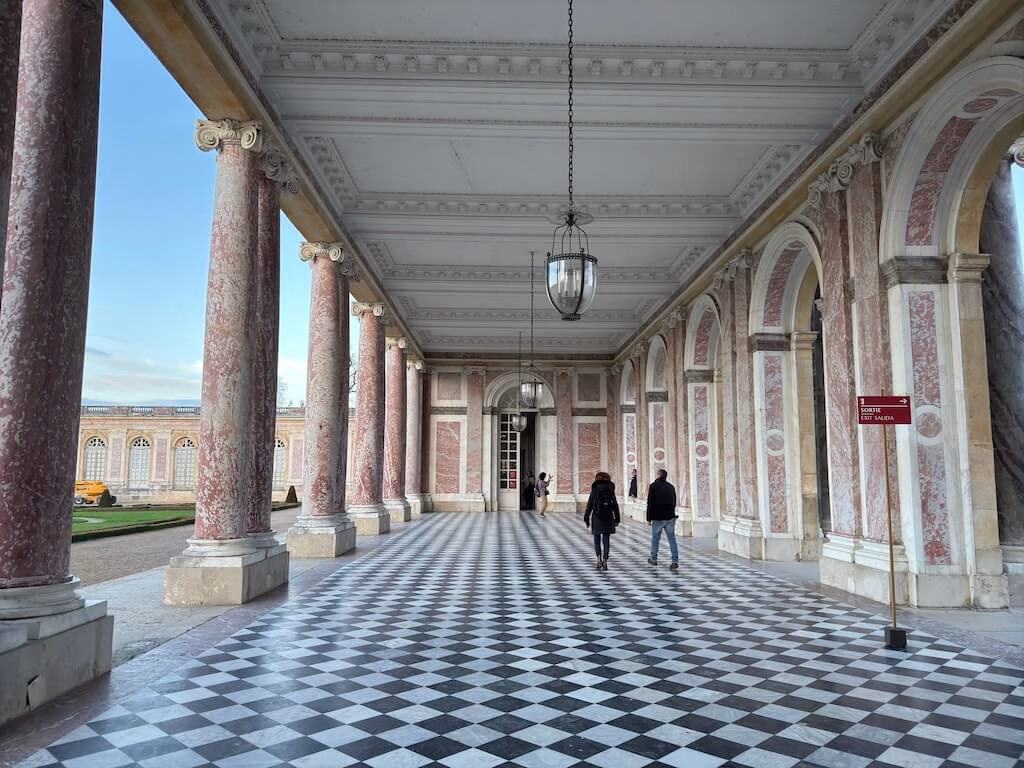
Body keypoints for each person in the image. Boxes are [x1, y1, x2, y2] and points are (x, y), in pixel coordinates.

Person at [584, 471, 620, 570]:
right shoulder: (610, 489)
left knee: (596, 538)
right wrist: (617, 518)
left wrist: (586, 518)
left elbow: (589, 504)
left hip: (597, 516)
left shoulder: (595, 489)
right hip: (608, 516)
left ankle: (598, 559)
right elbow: (615, 505)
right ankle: (605, 560)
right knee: (606, 539)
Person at [646, 469, 679, 569]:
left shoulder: (653, 486)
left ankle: (653, 559)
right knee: (672, 539)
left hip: (658, 517)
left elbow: (650, 503)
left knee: (655, 539)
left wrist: (649, 518)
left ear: (658, 476)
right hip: (670, 517)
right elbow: (674, 501)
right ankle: (674, 561)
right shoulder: (671, 487)